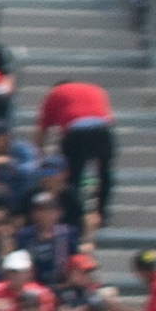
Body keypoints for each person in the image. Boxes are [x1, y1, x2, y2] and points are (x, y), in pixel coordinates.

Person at [39, 71, 116, 226]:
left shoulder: (56, 92)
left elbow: (42, 130)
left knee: (73, 177)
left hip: (76, 131)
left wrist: (40, 155)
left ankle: (75, 216)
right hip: (102, 131)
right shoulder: (95, 89)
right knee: (104, 173)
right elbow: (108, 117)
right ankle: (101, 214)